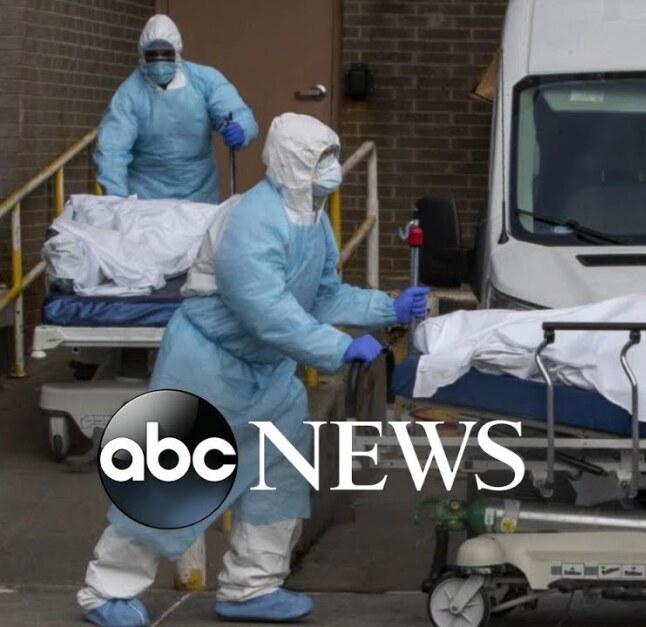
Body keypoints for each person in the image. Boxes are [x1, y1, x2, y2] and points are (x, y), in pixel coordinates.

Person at [77, 113, 430, 626]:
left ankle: (252, 587)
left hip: (268, 375)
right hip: (208, 366)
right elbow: (265, 310)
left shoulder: (313, 219)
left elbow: (322, 294)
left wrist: (385, 308)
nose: (332, 169)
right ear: (293, 162)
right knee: (171, 482)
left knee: (277, 483)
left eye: (333, 157)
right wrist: (338, 347)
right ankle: (106, 592)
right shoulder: (251, 220)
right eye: (321, 159)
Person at [94, 14, 259, 204]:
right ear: (142, 56)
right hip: (146, 199)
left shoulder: (205, 81)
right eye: (152, 55)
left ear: (177, 53)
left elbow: (236, 112)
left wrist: (241, 128)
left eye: (166, 54)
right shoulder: (129, 95)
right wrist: (117, 201)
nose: (159, 61)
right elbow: (112, 151)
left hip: (199, 193)